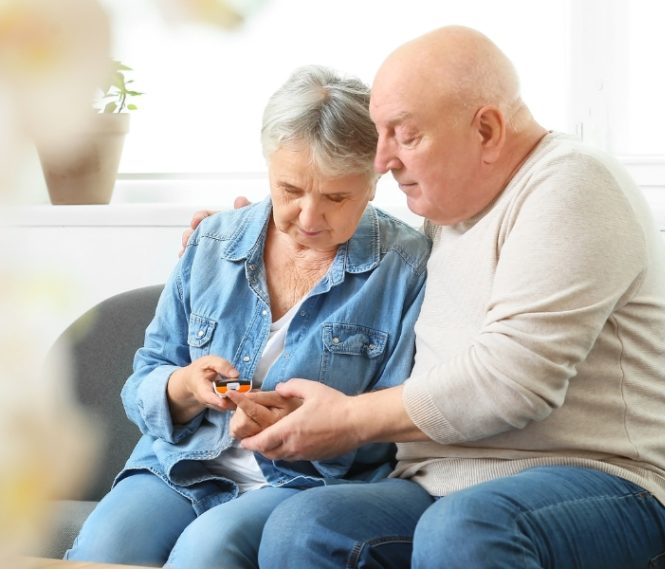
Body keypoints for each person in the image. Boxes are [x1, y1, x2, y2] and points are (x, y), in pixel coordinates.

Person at [197, 25, 665, 568]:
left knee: (463, 529)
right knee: (306, 525)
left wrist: (348, 420)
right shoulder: (445, 218)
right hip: (442, 485)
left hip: (608, 484)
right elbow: (348, 252)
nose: (383, 160)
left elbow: (512, 382)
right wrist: (250, 234)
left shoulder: (571, 184)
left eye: (403, 135)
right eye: (379, 135)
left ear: (486, 129)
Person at [65, 64, 430, 568]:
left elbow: (396, 426)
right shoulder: (214, 242)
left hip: (303, 481)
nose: (307, 217)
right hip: (182, 465)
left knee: (208, 549)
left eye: (335, 197)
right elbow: (146, 374)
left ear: (373, 180)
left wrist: (314, 428)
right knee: (105, 546)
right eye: (290, 190)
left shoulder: (404, 267)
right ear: (268, 168)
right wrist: (186, 388)